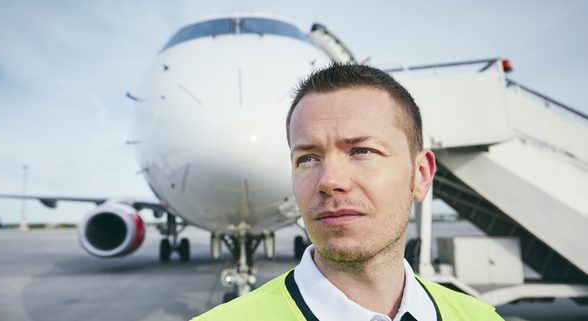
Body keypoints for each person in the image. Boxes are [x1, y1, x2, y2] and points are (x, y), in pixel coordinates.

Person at [192, 64, 505, 321]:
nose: (329, 181)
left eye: (361, 150)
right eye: (307, 158)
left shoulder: (482, 317)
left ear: (421, 175)